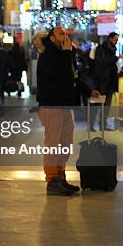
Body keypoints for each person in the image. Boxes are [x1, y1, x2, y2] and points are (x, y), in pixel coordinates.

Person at [34, 28, 96, 196]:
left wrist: (89, 91)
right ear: (53, 38)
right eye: (61, 34)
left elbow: (73, 77)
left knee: (65, 143)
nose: (66, 37)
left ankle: (60, 177)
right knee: (53, 144)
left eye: (66, 34)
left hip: (64, 105)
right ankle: (52, 179)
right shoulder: (48, 56)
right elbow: (59, 74)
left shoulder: (65, 55)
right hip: (51, 105)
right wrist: (68, 53)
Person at [92, 32, 119, 130]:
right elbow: (102, 62)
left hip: (110, 80)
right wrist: (115, 59)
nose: (116, 41)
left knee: (107, 104)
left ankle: (103, 124)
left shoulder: (112, 50)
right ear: (110, 39)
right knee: (98, 103)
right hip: (102, 80)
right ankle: (92, 124)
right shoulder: (101, 49)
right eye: (115, 39)